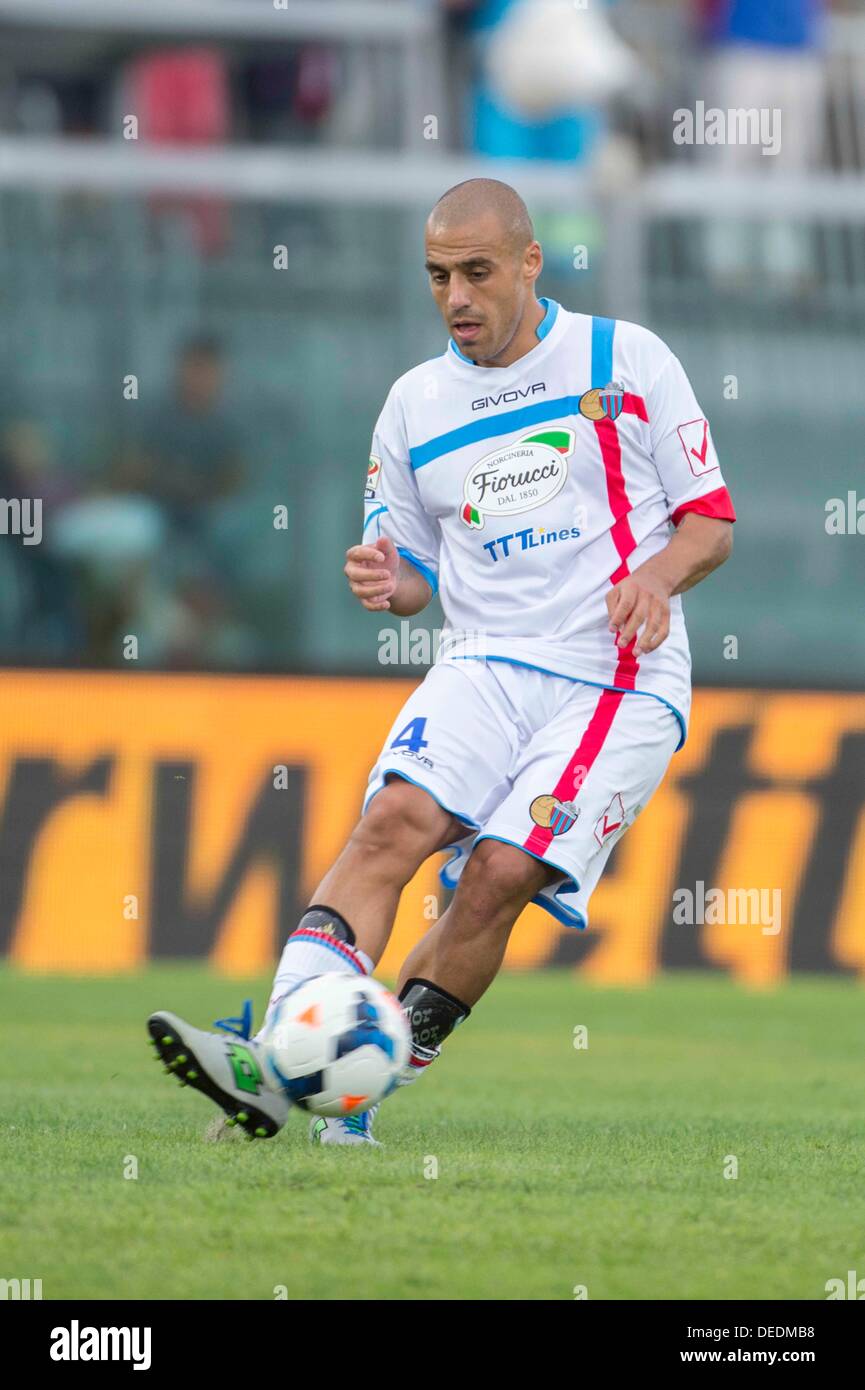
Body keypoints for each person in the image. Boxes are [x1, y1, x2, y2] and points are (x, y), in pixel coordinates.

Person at [148, 179, 735, 1146]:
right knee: (391, 824)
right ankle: (269, 1064)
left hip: (616, 672)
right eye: (436, 277)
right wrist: (387, 576)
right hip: (483, 661)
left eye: (476, 272)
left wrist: (659, 579)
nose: (456, 295)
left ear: (530, 262)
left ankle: (353, 1086)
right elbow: (414, 570)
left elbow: (709, 523)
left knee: (497, 875)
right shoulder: (414, 404)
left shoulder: (621, 357)